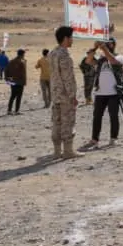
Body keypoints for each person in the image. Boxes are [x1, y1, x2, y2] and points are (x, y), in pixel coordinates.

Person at [48, 26, 81, 159]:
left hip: (55, 94)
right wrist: (72, 96)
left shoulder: (52, 53)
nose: (72, 40)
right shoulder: (64, 55)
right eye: (71, 37)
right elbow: (67, 78)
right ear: (66, 38)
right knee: (67, 122)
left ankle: (57, 152)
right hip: (65, 95)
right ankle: (68, 151)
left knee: (56, 122)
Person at [86, 38, 123, 148]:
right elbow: (88, 61)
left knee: (113, 116)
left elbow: (113, 61)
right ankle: (94, 139)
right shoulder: (101, 60)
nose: (107, 45)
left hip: (113, 93)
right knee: (97, 117)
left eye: (109, 44)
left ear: (114, 45)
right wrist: (95, 48)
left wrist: (104, 48)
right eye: (106, 44)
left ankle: (113, 139)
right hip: (100, 93)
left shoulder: (120, 57)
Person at [5, 49, 27, 115]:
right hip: (20, 82)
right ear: (22, 54)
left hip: (12, 81)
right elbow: (23, 73)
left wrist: (7, 79)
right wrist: (24, 82)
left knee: (12, 96)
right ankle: (17, 111)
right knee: (19, 96)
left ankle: (9, 110)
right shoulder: (22, 62)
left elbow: (6, 70)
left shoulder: (11, 61)